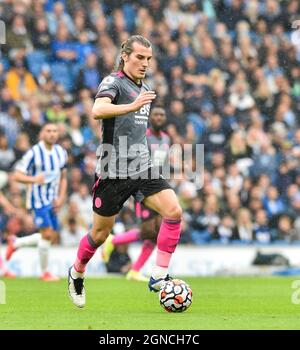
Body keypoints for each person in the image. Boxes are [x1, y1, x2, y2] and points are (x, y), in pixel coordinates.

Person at [68, 35, 183, 308]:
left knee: (174, 212)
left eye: (149, 59)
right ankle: (76, 272)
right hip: (113, 171)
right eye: (140, 57)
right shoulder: (113, 82)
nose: (145, 63)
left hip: (142, 166)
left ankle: (158, 275)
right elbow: (97, 110)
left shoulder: (145, 86)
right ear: (125, 56)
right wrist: (131, 105)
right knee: (100, 235)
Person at [102, 106, 171, 282]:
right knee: (147, 229)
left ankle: (134, 270)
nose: (159, 117)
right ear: (150, 117)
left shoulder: (166, 139)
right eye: (156, 114)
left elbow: (163, 164)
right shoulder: (142, 137)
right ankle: (114, 241)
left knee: (155, 234)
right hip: (143, 186)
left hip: (158, 186)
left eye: (162, 114)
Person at [6, 123, 68, 281]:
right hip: (38, 200)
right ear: (42, 134)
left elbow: (63, 178)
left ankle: (16, 243)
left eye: (55, 131)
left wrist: (61, 197)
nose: (52, 134)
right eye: (48, 131)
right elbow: (17, 176)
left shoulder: (61, 152)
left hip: (53, 199)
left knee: (50, 236)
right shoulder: (34, 152)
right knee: (46, 234)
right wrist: (34, 179)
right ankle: (45, 272)